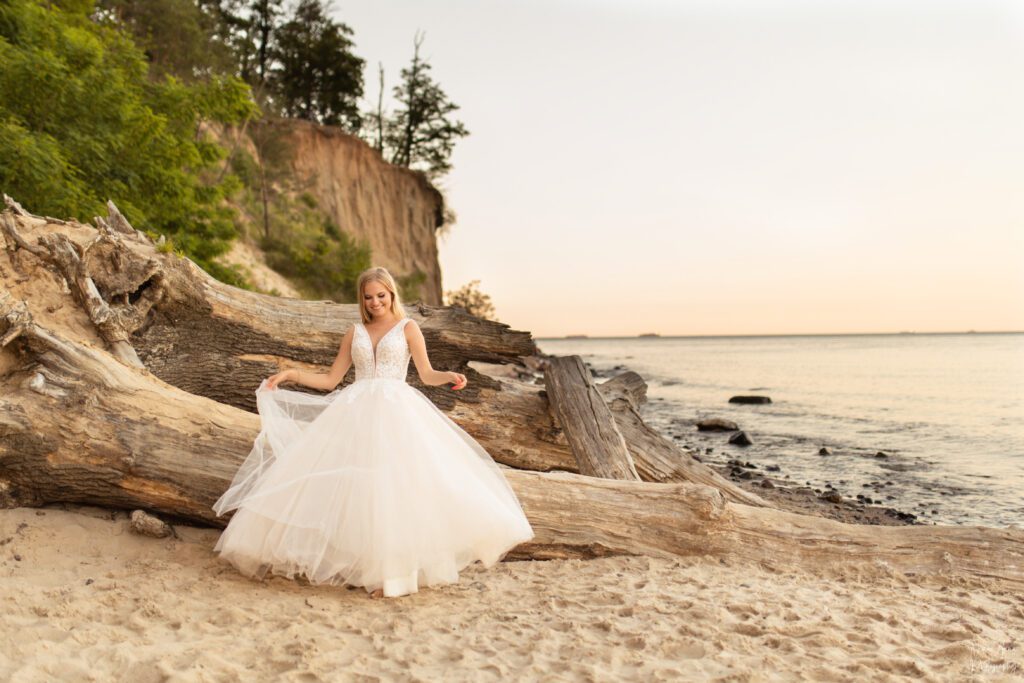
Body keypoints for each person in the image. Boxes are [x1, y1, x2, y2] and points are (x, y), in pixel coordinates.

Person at [211, 266, 535, 598]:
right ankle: (362, 566)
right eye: (369, 297)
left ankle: (395, 578)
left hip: (397, 411)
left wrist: (449, 376)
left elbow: (426, 373)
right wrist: (291, 374)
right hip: (356, 411)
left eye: (381, 295)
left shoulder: (408, 328)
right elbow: (331, 380)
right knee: (357, 491)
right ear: (362, 300)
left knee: (394, 490)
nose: (376, 302)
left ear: (392, 294)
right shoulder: (355, 332)